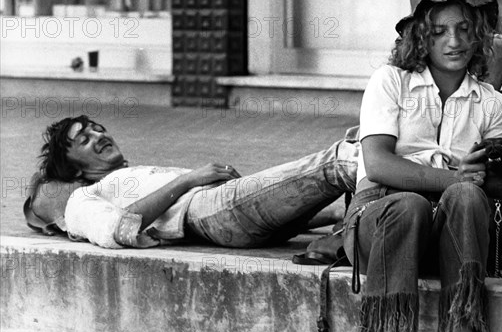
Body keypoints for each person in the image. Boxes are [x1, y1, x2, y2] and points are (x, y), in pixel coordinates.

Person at [342, 0, 502, 332]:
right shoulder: (390, 81)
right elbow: (378, 164)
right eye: (439, 32)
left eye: (463, 29)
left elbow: (486, 196)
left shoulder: (493, 105)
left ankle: (461, 331)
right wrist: (456, 177)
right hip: (381, 226)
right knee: (409, 206)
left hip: (454, 237)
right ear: (419, 36)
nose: (454, 41)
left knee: (464, 196)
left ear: (478, 34)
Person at [28, 115, 358, 249]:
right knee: (340, 160)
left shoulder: (132, 173)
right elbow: (116, 229)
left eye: (97, 128)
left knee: (340, 178)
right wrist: (189, 180)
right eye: (84, 139)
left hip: (224, 212)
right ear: (72, 171)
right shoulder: (83, 197)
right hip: (205, 213)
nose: (98, 135)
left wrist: (328, 216)